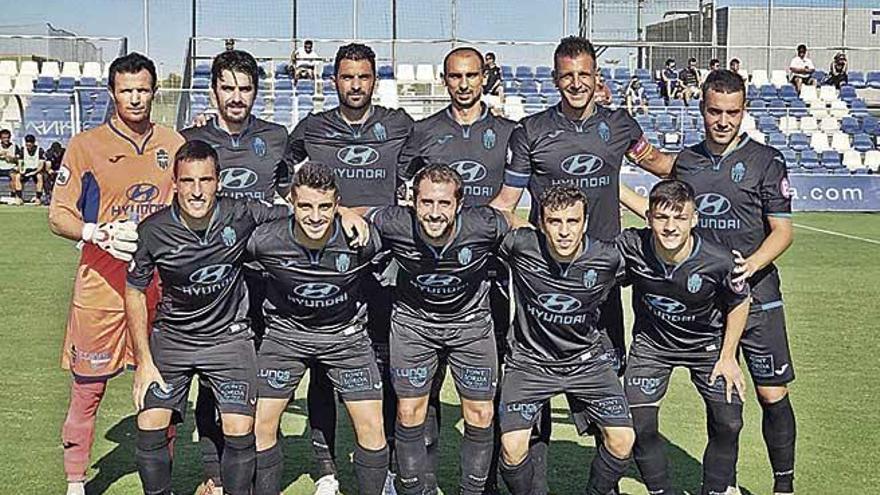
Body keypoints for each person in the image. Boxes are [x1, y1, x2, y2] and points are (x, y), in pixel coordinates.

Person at [490, 36, 673, 494]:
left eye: (584, 75)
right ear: (556, 80)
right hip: (543, 281)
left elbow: (662, 167)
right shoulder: (530, 132)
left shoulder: (620, 126)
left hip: (602, 280)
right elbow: (508, 203)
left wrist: (709, 166)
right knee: (532, 397)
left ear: (597, 78)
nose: (576, 83)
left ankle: (604, 486)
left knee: (604, 390)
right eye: (567, 75)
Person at [47, 52, 185, 495]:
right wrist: (95, 232)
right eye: (126, 90)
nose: (135, 98)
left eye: (143, 89)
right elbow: (57, 215)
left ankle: (159, 479)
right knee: (88, 389)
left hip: (158, 288)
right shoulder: (85, 146)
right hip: (100, 288)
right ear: (112, 93)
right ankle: (75, 481)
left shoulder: (173, 142)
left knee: (161, 387)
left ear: (154, 91)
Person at [125, 141, 292, 495]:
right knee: (150, 423)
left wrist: (348, 215)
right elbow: (134, 291)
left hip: (228, 339)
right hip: (173, 338)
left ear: (218, 181)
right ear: (175, 182)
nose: (197, 191)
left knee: (238, 427)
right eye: (188, 181)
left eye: (205, 180)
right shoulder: (153, 230)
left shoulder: (241, 213)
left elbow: (302, 215)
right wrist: (143, 362)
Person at [286, 42, 415, 494]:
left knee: (388, 367)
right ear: (334, 80)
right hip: (328, 268)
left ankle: (393, 466)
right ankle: (326, 470)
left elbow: (426, 176)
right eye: (347, 76)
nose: (355, 85)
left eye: (363, 76)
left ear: (374, 79)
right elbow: (281, 178)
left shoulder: (399, 125)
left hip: (385, 266)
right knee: (324, 369)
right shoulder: (311, 129)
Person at [397, 46, 517, 493]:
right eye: (454, 76)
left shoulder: (509, 132)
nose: (463, 83)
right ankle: (419, 481)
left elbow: (521, 197)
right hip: (428, 281)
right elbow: (400, 194)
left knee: (488, 393)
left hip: (490, 281)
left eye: (471, 75)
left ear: (484, 77)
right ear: (444, 79)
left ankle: (484, 484)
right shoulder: (423, 132)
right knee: (418, 398)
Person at [367, 164, 523, 495]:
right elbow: (356, 217)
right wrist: (346, 214)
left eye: (444, 204)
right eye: (426, 203)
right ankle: (413, 491)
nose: (435, 213)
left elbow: (515, 224)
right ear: (412, 201)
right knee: (409, 412)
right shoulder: (393, 221)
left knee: (480, 413)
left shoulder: (484, 223)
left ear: (459, 204)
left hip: (471, 325)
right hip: (413, 325)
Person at [181, 48, 292, 494]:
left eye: (245, 88)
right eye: (227, 87)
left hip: (265, 276)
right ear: (213, 90)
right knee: (212, 378)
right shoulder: (188, 139)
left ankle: (259, 461)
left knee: (262, 377)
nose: (236, 96)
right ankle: (214, 471)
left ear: (256, 92)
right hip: (213, 280)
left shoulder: (277, 136)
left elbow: (289, 196)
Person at [250, 162, 388, 495]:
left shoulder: (362, 240)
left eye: (325, 207)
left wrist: (351, 215)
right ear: (291, 204)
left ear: (337, 204)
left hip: (346, 338)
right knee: (258, 426)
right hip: (286, 337)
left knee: (372, 426)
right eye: (306, 206)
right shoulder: (264, 240)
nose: (315, 216)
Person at [495, 185, 634, 495]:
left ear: (585, 223)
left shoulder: (608, 256)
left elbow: (655, 275)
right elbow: (483, 227)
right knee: (512, 446)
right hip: (530, 363)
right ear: (541, 224)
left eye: (572, 222)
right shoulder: (521, 245)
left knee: (622, 439)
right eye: (555, 222)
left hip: (587, 363)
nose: (564, 232)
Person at [618, 179, 750, 495]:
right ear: (648, 218)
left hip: (706, 347)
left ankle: (717, 489)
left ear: (694, 219)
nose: (670, 226)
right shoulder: (632, 246)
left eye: (680, 217)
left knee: (729, 422)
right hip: (652, 346)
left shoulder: (719, 260)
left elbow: (741, 300)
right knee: (640, 425)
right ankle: (660, 490)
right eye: (662, 217)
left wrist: (728, 355)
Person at [12, 134, 50, 204]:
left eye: (30, 142)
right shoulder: (22, 150)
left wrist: (34, 172)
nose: (28, 144)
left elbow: (41, 165)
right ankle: (19, 197)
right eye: (27, 142)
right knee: (17, 176)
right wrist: (21, 170)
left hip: (36, 170)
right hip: (26, 170)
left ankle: (38, 198)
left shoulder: (40, 150)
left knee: (39, 177)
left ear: (33, 143)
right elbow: (20, 163)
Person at [0, 129, 23, 204]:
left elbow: (18, 159)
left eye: (7, 138)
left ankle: (13, 196)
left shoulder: (14, 147)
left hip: (10, 167)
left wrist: (11, 158)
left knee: (14, 176)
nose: (6, 139)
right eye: (4, 138)